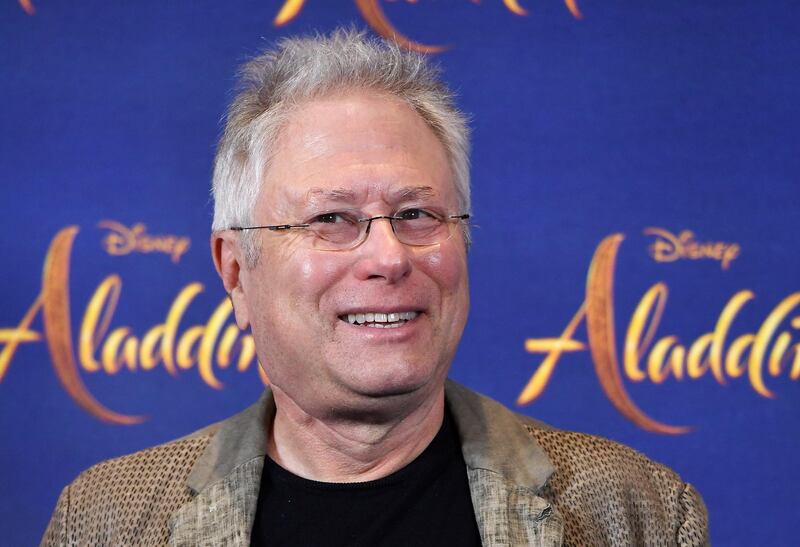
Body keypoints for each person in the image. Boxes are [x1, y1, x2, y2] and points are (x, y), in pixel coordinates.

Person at [41, 28, 709, 546]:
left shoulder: (637, 509)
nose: (389, 257)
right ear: (236, 269)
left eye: (417, 214)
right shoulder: (106, 518)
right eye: (333, 219)